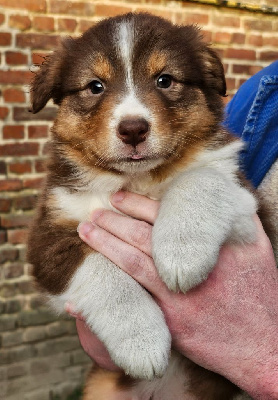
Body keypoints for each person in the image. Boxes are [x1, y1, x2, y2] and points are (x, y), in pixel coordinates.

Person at [72, 62, 278, 399]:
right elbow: (54, 256)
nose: (133, 113)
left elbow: (248, 218)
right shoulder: (264, 94)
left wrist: (266, 359)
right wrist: (113, 310)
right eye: (96, 87)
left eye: (165, 80)